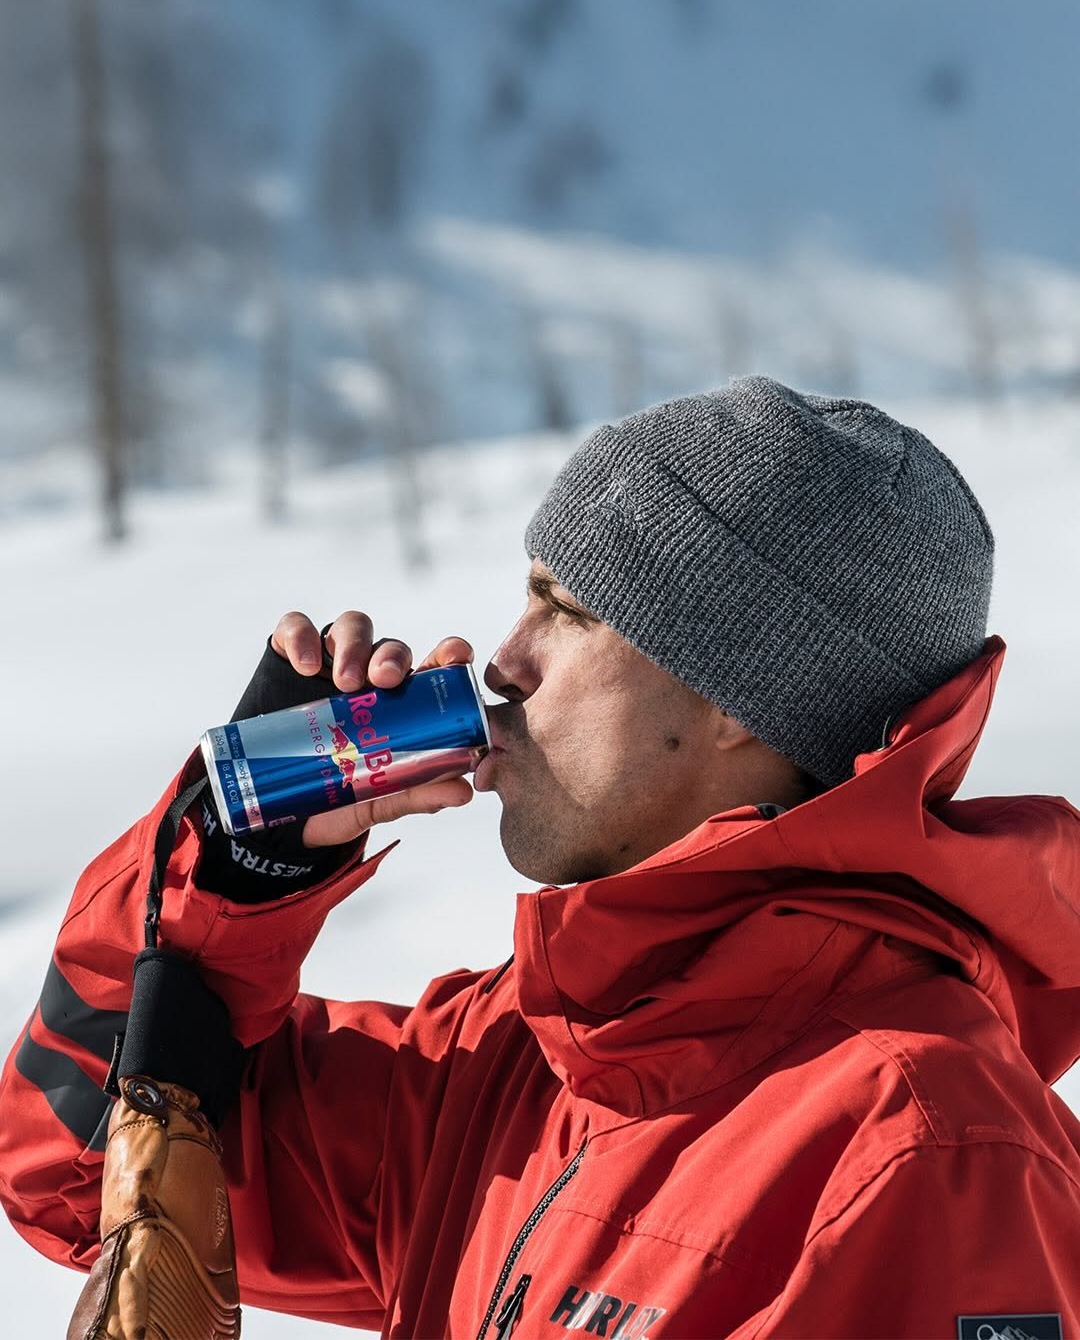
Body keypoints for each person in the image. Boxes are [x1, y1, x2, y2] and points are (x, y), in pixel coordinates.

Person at [2, 375, 1079, 1338]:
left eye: (564, 612)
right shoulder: (513, 1065)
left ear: (736, 705)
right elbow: (76, 1178)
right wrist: (228, 883)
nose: (502, 661)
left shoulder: (928, 1153)